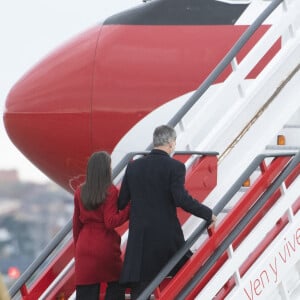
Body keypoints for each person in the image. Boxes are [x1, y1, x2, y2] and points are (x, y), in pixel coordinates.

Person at [118, 125, 216, 299]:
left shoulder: (133, 167)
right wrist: (207, 214)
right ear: (171, 143)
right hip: (165, 240)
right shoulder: (175, 167)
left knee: (140, 290)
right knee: (190, 273)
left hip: (139, 241)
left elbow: (122, 201)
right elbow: (181, 199)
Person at [73, 151, 130, 300]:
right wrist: (129, 209)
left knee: (86, 291)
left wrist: (78, 249)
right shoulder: (110, 191)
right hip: (104, 246)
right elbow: (110, 222)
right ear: (106, 170)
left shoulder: (80, 191)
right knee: (118, 282)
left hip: (84, 246)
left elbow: (76, 225)